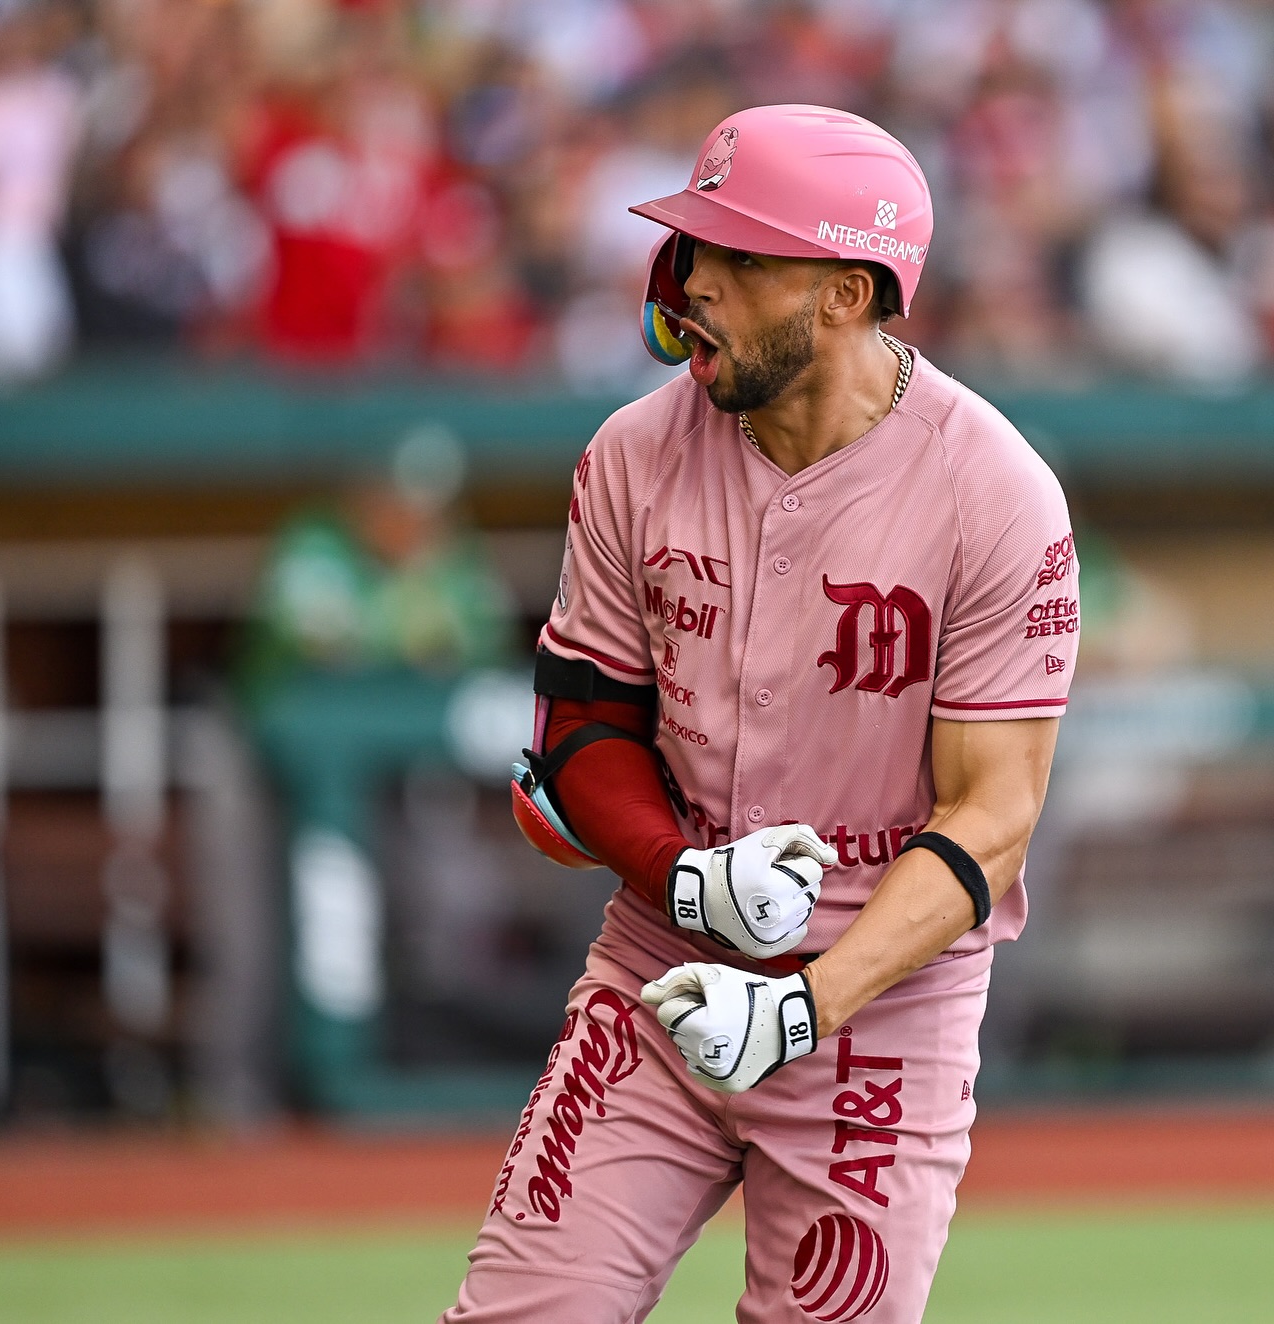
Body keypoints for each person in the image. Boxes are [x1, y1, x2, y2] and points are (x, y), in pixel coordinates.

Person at [441, 104, 1078, 1323]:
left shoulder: (998, 492)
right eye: (694, 246)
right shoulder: (631, 452)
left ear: (846, 293)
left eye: (738, 256)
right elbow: (581, 728)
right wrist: (686, 880)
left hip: (880, 1011)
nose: (693, 281)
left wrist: (804, 1004)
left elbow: (993, 819)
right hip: (660, 972)